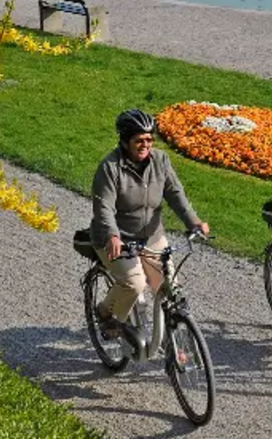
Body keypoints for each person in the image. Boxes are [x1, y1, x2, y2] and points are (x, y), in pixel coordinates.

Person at [89, 109, 209, 338]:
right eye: (139, 140)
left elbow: (176, 194)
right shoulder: (110, 168)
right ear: (125, 142)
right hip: (117, 239)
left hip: (151, 236)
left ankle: (177, 344)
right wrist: (112, 235)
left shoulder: (160, 160)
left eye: (149, 139)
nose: (145, 145)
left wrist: (194, 222)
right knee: (134, 283)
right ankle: (107, 315)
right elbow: (104, 206)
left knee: (170, 287)